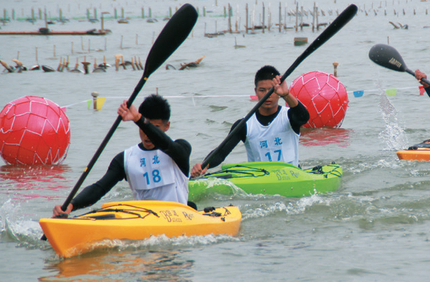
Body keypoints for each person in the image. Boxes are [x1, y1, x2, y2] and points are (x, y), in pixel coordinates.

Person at [53, 95, 192, 217]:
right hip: (144, 219)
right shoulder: (126, 159)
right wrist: (72, 205)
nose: (147, 134)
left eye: (155, 127)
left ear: (167, 126)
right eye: (143, 128)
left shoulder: (180, 150)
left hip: (177, 217)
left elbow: (167, 144)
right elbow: (99, 188)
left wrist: (139, 119)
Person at [191, 65, 310, 177]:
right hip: (260, 179)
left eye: (271, 90)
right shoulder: (244, 125)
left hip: (291, 177)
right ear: (255, 91)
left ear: (279, 91)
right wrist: (204, 165)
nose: (267, 95)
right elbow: (221, 152)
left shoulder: (289, 116)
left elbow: (304, 117)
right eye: (262, 90)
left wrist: (286, 95)